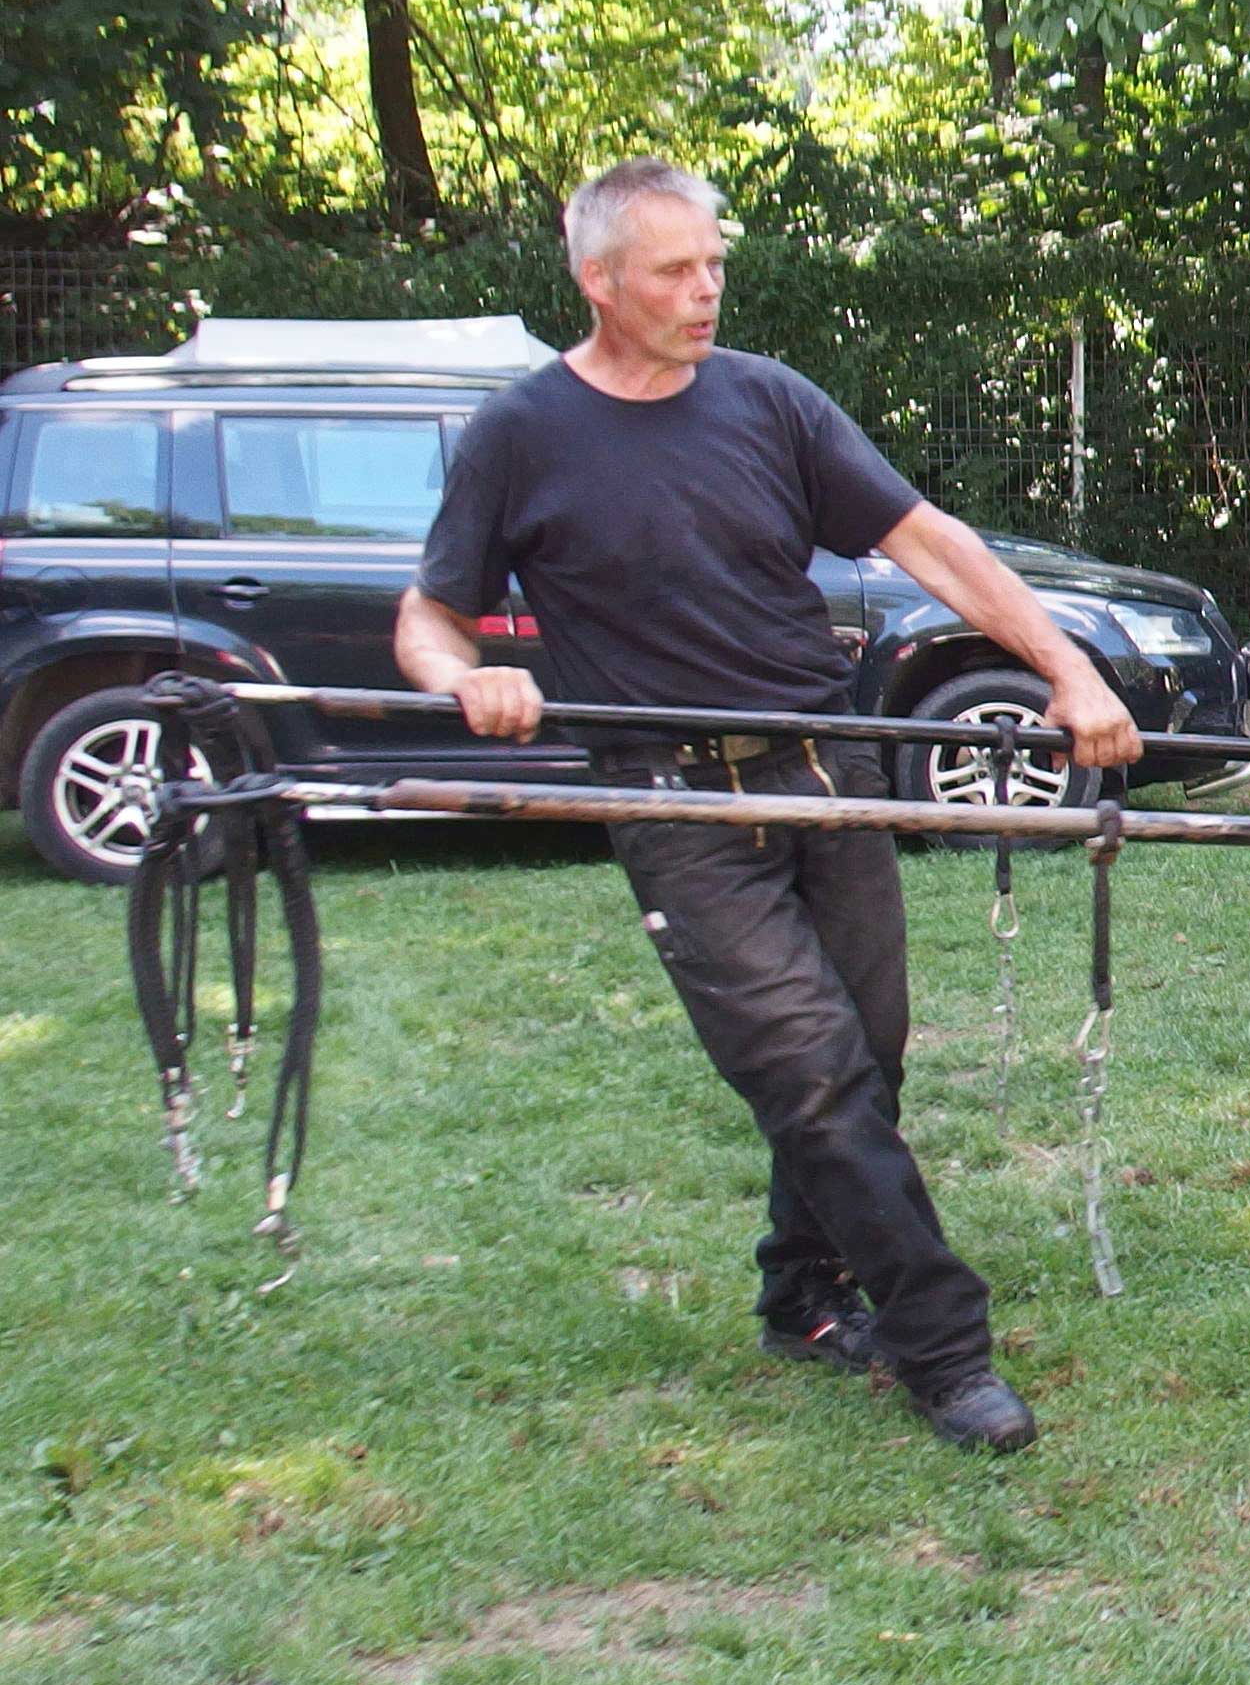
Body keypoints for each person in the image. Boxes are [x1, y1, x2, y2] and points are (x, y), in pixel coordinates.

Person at [397, 157, 1143, 1453]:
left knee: (868, 1056)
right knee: (812, 1077)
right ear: (598, 280)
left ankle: (801, 1295)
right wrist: (465, 680)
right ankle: (941, 1344)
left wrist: (1067, 668)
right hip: (676, 806)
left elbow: (930, 543)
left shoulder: (771, 403)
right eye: (676, 271)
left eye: (714, 265)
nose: (706, 292)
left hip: (823, 774)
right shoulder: (522, 433)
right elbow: (428, 613)